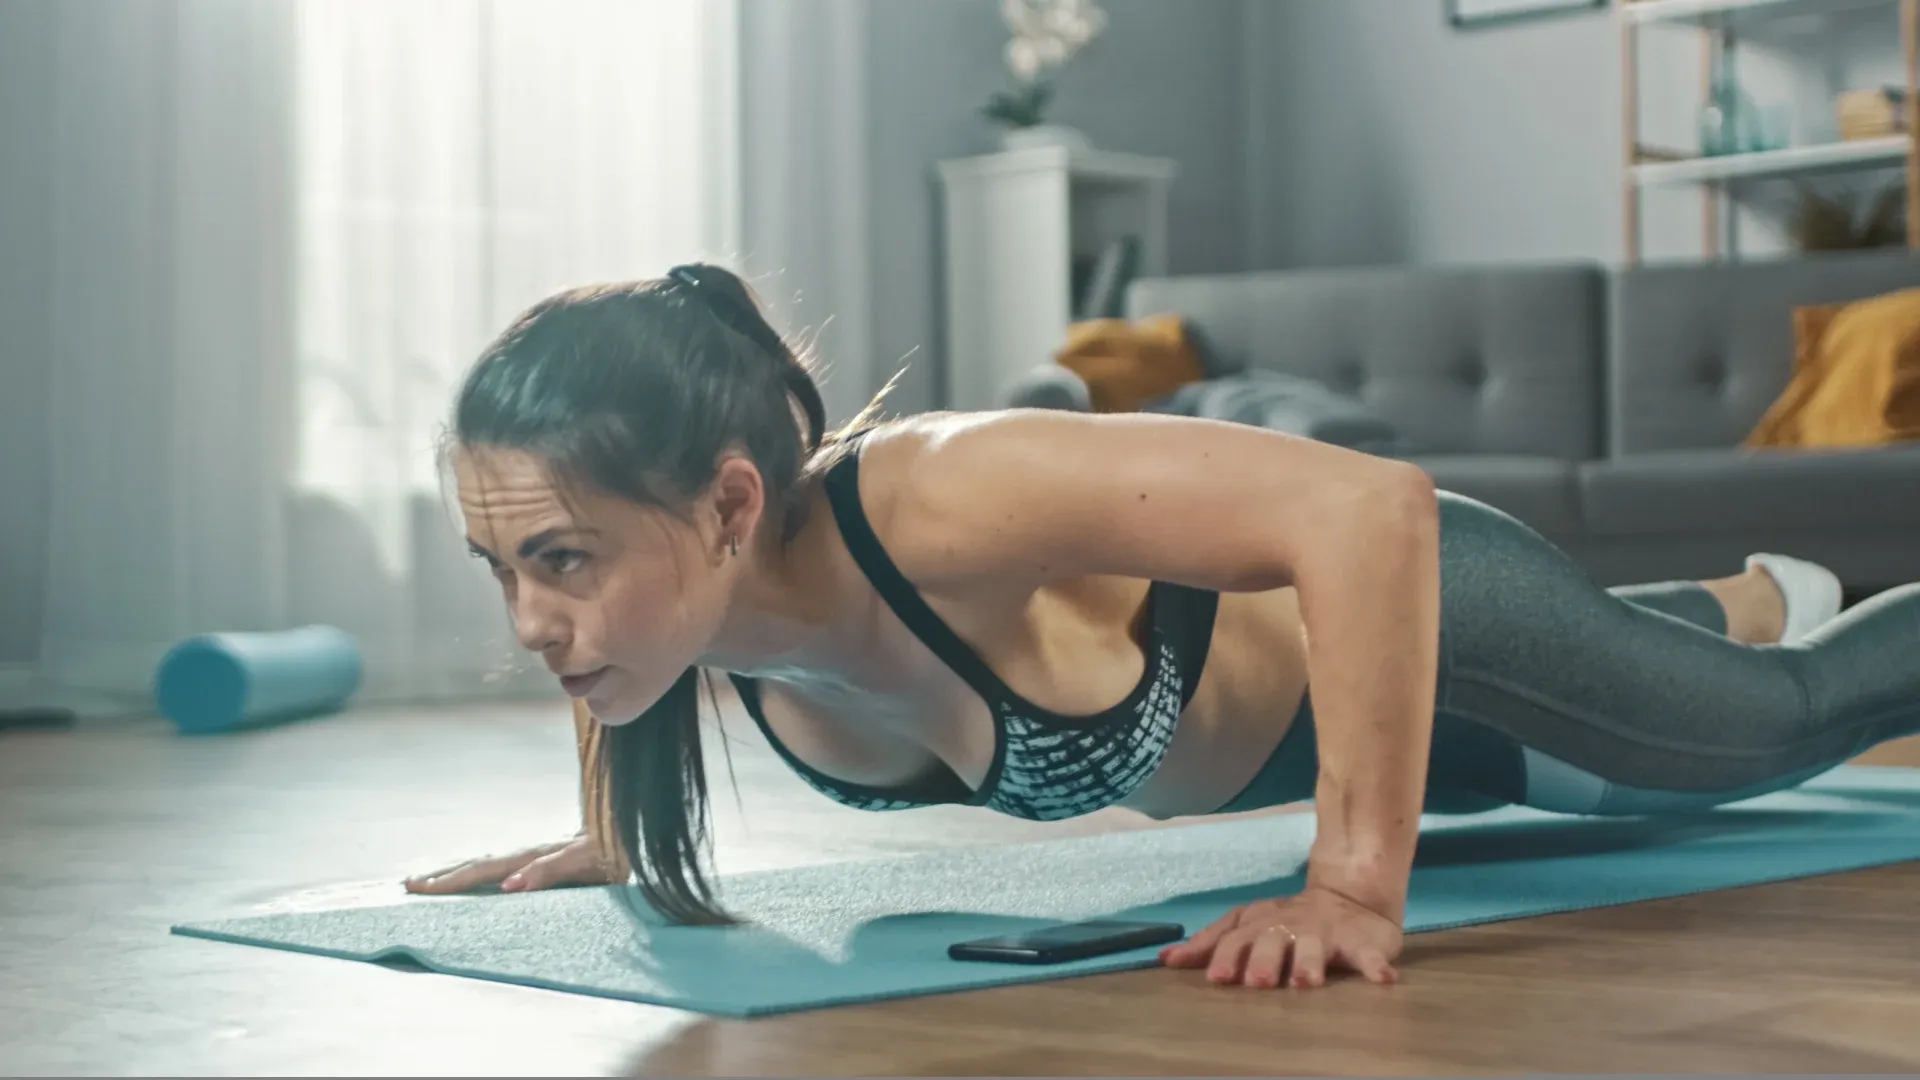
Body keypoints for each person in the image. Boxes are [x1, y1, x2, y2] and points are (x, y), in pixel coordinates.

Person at [405, 263, 1920, 992]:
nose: (537, 624)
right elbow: (612, 644)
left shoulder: (940, 501)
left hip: (1433, 634)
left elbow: (1369, 511)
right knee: (1637, 716)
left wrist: (1350, 890)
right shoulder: (669, 613)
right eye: (501, 570)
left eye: (559, 559)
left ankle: (1758, 632)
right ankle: (1721, 602)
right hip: (1398, 747)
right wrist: (611, 831)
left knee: (1777, 724)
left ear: (730, 504)